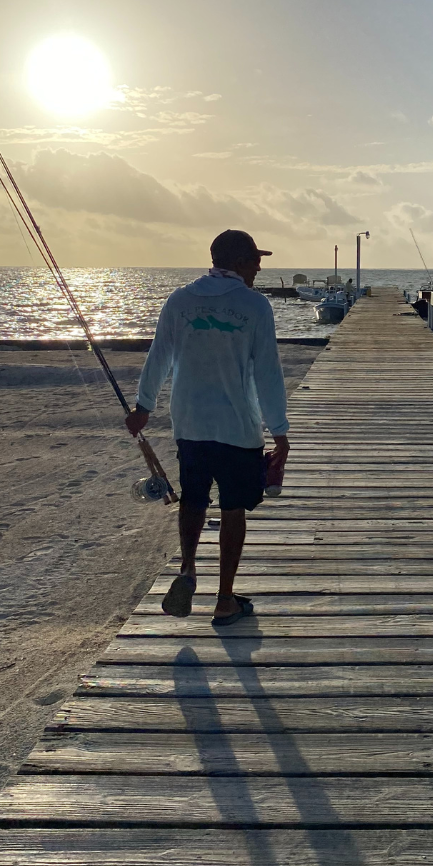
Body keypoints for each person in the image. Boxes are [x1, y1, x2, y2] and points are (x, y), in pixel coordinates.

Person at [124, 229, 290, 625]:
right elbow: (268, 372)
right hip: (238, 427)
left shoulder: (179, 300)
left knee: (194, 498)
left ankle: (187, 569)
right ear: (237, 263)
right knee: (233, 509)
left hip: (190, 425)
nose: (259, 266)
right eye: (254, 260)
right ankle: (225, 599)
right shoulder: (255, 306)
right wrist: (280, 430)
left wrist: (143, 405)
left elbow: (158, 355)